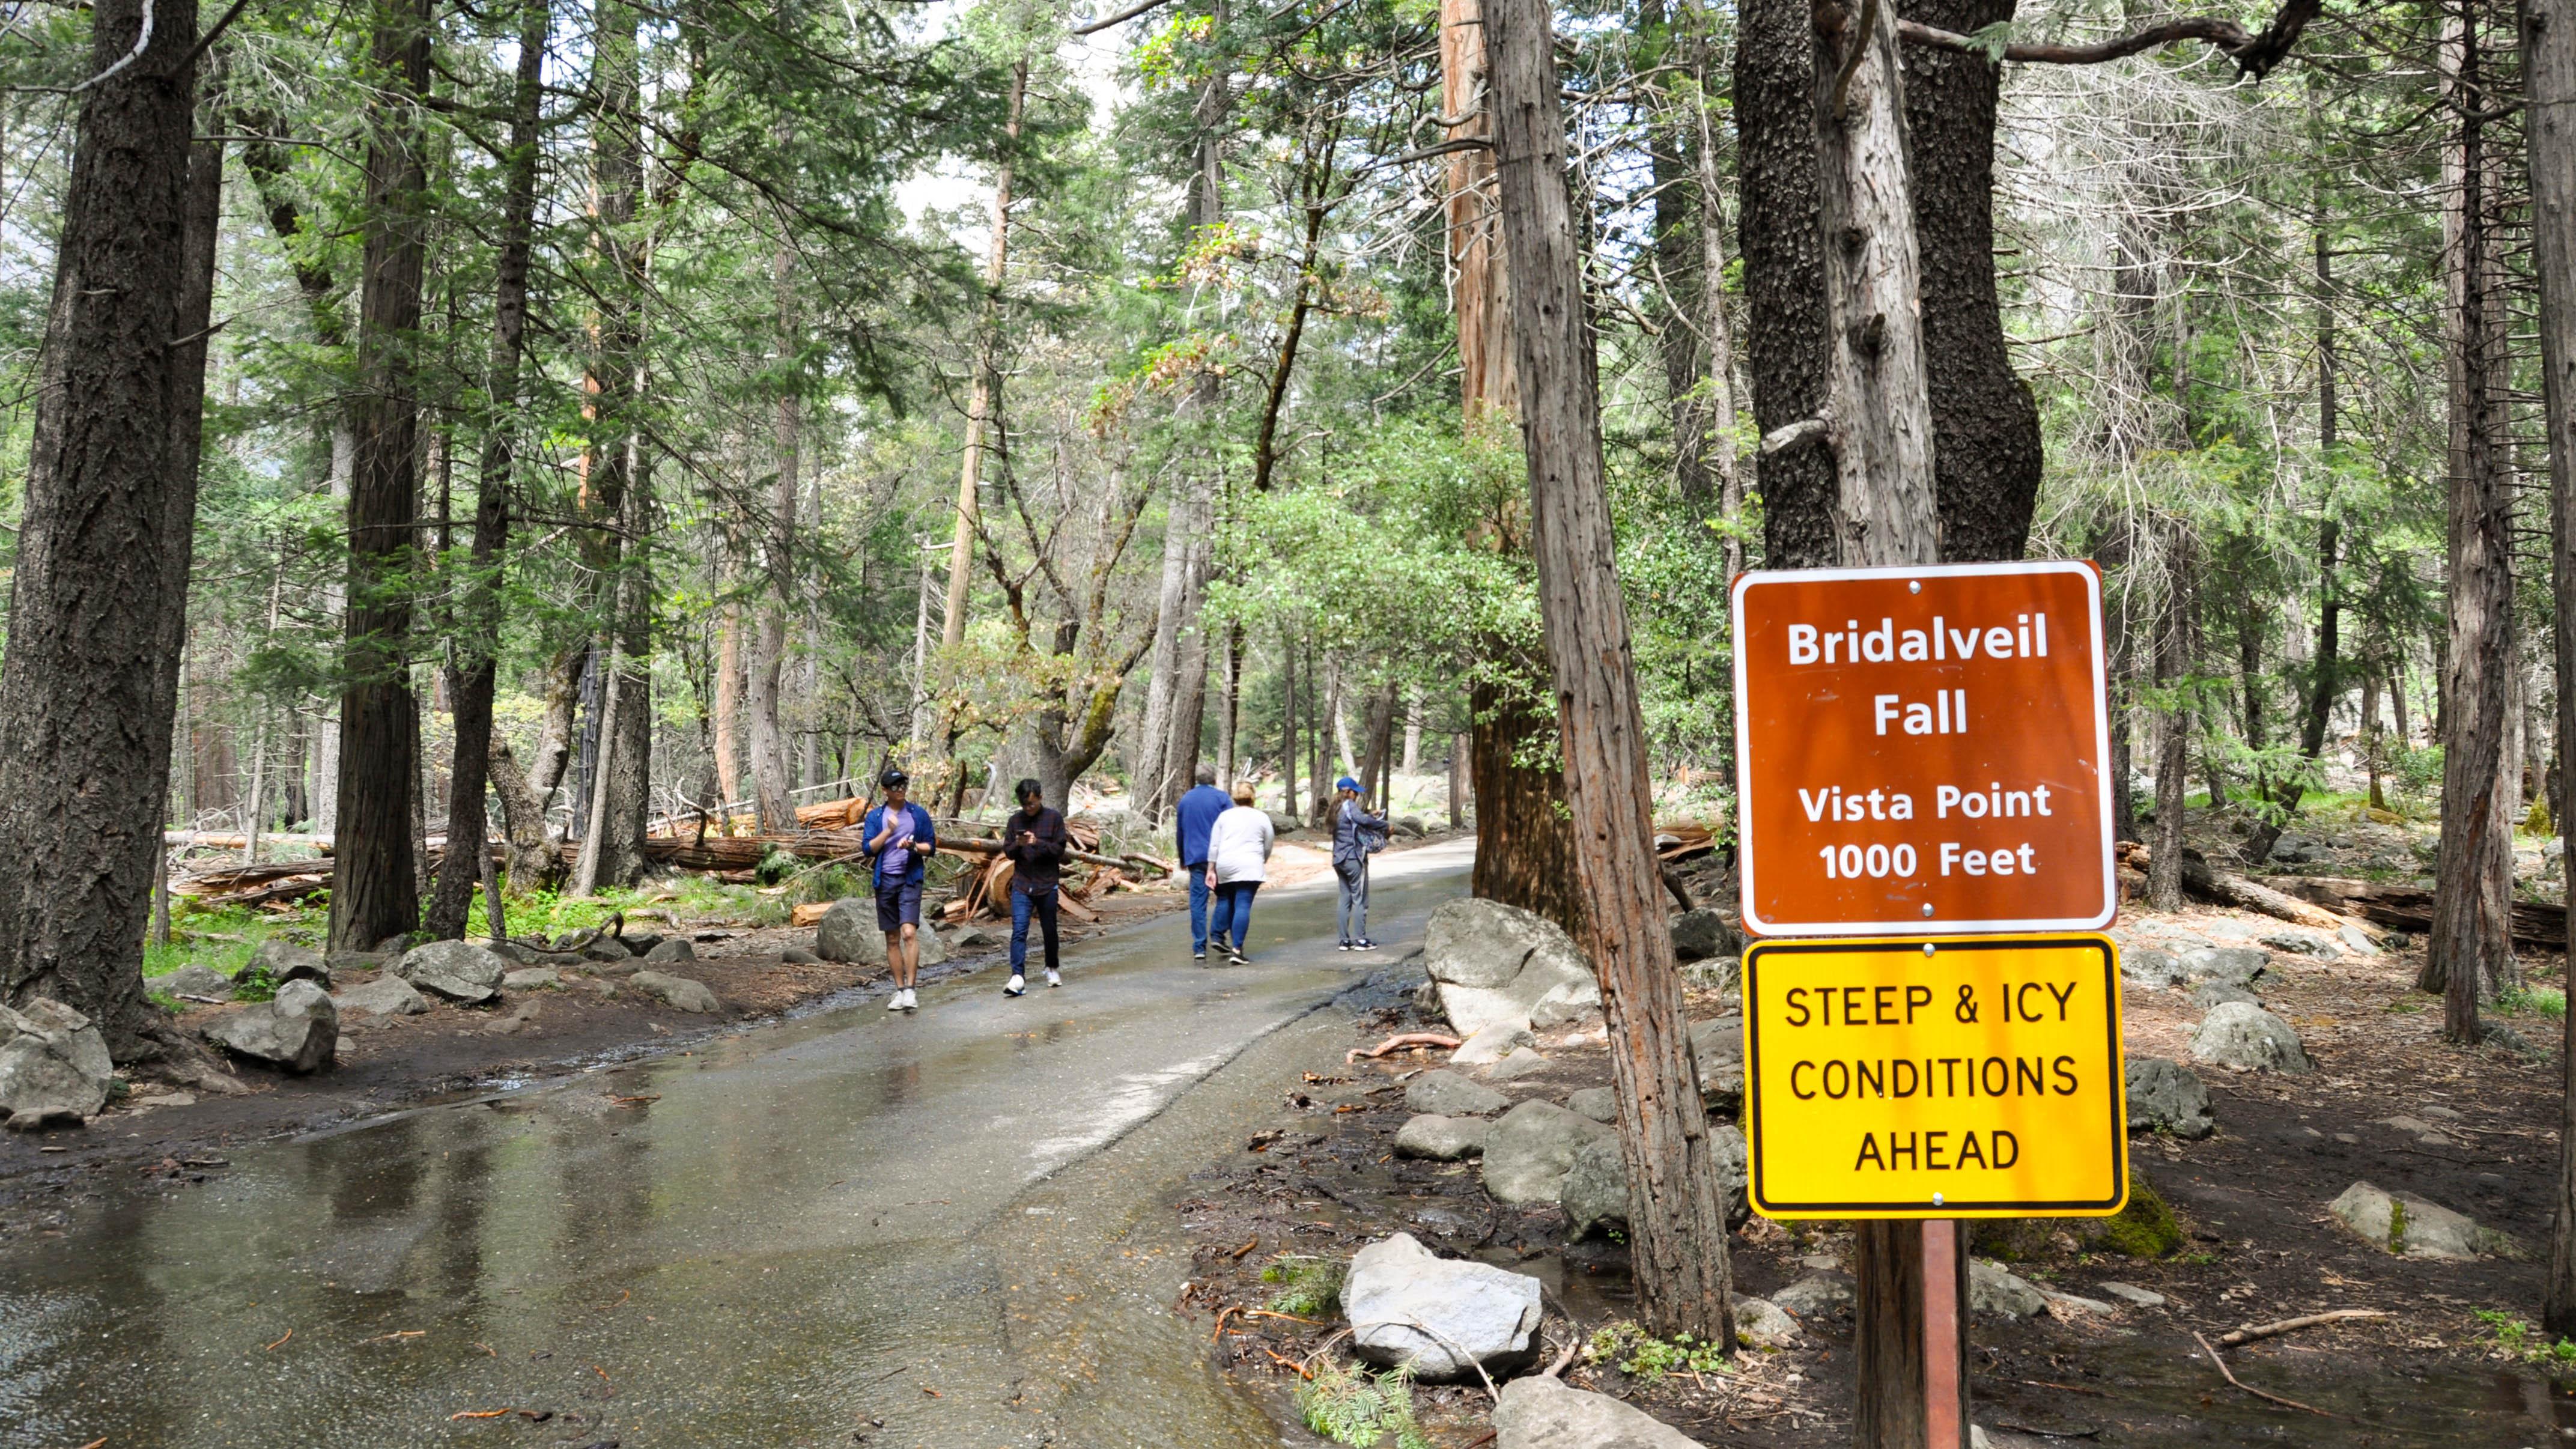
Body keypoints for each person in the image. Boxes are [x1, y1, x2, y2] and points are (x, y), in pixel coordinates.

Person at [861, 768, 937, 1012]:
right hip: (885, 881)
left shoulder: (918, 814)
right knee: (892, 937)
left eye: (903, 784)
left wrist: (914, 846)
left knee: (909, 933)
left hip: (910, 879)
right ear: (885, 791)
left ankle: (912, 990)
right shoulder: (876, 817)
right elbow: (868, 849)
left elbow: (931, 847)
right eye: (895, 786)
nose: (901, 789)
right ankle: (900, 990)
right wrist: (889, 832)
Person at [1000, 777, 1067, 997]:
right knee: (1019, 930)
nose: (1028, 809)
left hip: (1047, 884)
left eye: (1032, 804)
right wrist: (1018, 845)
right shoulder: (1015, 821)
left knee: (1049, 929)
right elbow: (1008, 851)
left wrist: (1037, 842)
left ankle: (1052, 967)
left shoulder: (1054, 819)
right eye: (1024, 805)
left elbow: (1059, 851)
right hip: (1022, 884)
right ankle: (1017, 976)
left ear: (1040, 797)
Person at [1204, 780, 1274, 965]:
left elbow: (1215, 845)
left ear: (1236, 797)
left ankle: (1218, 935)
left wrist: (1211, 869)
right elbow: (1268, 844)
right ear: (1253, 797)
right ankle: (1237, 949)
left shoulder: (1224, 817)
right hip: (1250, 864)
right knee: (1243, 904)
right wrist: (1262, 859)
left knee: (1226, 899)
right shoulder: (1261, 817)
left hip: (1225, 864)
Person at [1173, 763, 1233, 961]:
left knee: (1198, 903)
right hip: (1219, 857)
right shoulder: (1222, 798)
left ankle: (1199, 947)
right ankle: (1217, 934)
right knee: (1225, 896)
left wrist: (1183, 857)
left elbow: (1180, 832)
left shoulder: (1186, 800)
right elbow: (1231, 827)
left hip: (1195, 857)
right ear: (1214, 778)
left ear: (1197, 779)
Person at [1330, 775, 1389, 950]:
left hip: (1338, 859)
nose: (1357, 795)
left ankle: (1344, 941)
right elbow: (1362, 821)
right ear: (1348, 792)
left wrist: (1370, 815)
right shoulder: (1349, 805)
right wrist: (1383, 824)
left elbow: (1352, 821)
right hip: (1352, 857)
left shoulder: (1335, 808)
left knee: (1345, 898)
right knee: (1360, 898)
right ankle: (1361, 940)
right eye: (1355, 792)